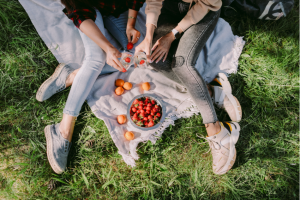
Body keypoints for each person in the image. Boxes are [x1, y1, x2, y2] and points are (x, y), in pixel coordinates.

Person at [36, 0, 145, 174]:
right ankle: (63, 130)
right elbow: (80, 13)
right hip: (88, 7)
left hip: (115, 8)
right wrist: (107, 47)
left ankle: (73, 75)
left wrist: (131, 24)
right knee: (96, 59)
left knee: (139, 55)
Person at [135, 0, 242, 175]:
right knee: (155, 60)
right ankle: (211, 90)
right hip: (170, 10)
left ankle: (217, 131)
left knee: (182, 64)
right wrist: (148, 37)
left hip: (202, 12)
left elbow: (203, 6)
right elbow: (154, 2)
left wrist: (171, 35)